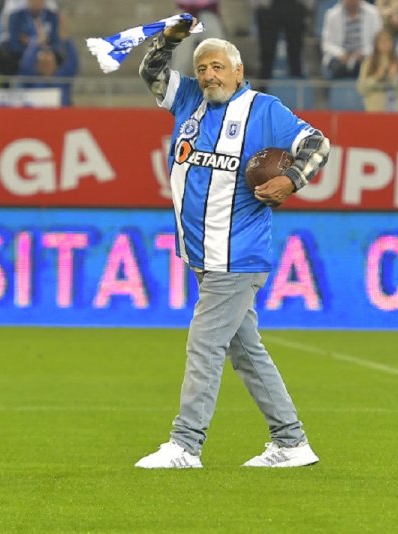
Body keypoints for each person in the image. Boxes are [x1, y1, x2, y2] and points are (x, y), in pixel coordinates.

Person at [133, 18, 330, 469]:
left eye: (218, 67)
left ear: (238, 72)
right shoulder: (188, 100)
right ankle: (291, 442)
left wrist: (291, 180)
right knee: (246, 352)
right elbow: (152, 73)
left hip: (237, 255)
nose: (209, 76)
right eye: (202, 68)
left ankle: (185, 444)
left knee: (204, 345)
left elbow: (318, 144)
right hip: (202, 256)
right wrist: (169, 40)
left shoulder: (264, 109)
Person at [321, 0, 384, 78]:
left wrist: (363, 52)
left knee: (369, 67)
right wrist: (340, 54)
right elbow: (327, 44)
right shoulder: (332, 15)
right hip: (339, 58)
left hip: (364, 56)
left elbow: (379, 41)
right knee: (337, 68)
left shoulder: (373, 13)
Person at [357, 29, 398, 111]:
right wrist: (376, 78)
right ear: (376, 44)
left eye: (388, 40)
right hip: (374, 112)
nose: (385, 43)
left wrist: (395, 77)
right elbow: (361, 89)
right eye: (381, 41)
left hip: (396, 111)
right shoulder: (368, 62)